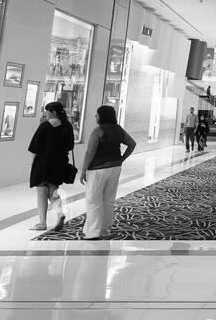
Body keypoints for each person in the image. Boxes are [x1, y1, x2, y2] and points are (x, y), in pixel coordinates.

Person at [79, 105, 136, 240]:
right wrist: (121, 158)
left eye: (97, 114)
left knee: (93, 199)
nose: (95, 117)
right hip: (115, 167)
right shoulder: (118, 130)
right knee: (108, 200)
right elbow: (132, 144)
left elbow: (90, 153)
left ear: (101, 116)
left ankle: (93, 232)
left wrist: (83, 171)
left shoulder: (98, 130)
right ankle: (105, 230)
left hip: (99, 169)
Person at [27, 102, 74, 231]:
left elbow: (33, 147)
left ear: (53, 112)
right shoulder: (67, 126)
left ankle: (42, 223)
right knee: (53, 192)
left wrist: (32, 164)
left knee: (42, 193)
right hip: (59, 164)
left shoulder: (45, 126)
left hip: (42, 164)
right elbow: (70, 146)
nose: (45, 114)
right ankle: (60, 213)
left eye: (47, 111)